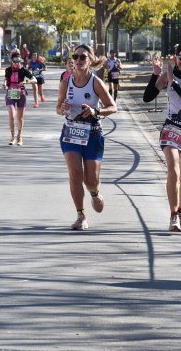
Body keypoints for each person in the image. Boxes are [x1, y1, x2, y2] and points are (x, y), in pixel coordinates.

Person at [142, 40, 181, 232]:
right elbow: (148, 97)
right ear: (175, 57)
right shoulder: (166, 75)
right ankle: (172, 215)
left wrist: (173, 83)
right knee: (173, 171)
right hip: (172, 128)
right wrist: (155, 75)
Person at [56, 44, 117, 230]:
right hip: (70, 132)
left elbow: (113, 107)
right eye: (76, 57)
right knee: (75, 174)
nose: (79, 60)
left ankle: (95, 192)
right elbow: (58, 108)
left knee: (91, 180)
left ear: (89, 60)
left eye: (83, 57)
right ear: (72, 60)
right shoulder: (66, 82)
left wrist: (95, 111)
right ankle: (81, 215)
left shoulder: (95, 82)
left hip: (92, 133)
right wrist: (62, 108)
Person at [3, 51, 37, 146]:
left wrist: (26, 82)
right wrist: (4, 84)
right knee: (11, 113)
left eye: (19, 61)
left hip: (21, 94)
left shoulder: (23, 70)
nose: (17, 63)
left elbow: (34, 79)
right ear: (12, 61)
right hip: (11, 93)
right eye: (15, 61)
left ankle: (19, 135)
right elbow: (6, 79)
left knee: (20, 117)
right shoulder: (8, 70)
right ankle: (12, 136)